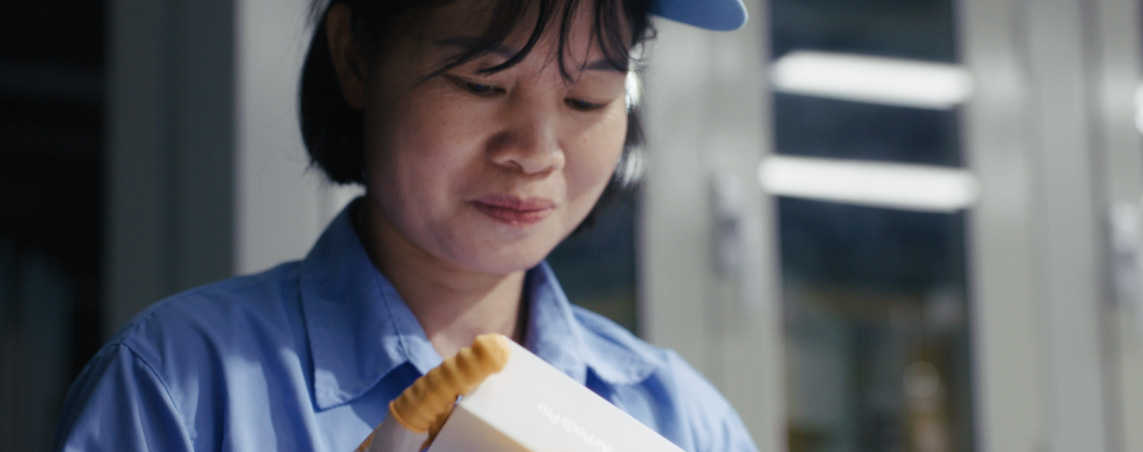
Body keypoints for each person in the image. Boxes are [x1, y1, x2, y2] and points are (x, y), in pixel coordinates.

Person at [54, 0, 756, 450]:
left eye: (586, 97)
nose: (536, 152)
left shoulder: (682, 420)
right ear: (357, 56)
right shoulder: (180, 386)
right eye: (483, 84)